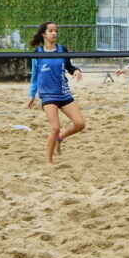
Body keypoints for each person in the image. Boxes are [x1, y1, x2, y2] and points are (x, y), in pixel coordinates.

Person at [27, 22, 85, 164]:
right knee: (55, 128)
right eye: (51, 31)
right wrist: (31, 95)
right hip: (47, 95)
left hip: (63, 93)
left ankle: (61, 138)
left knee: (80, 123)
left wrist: (76, 71)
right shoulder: (38, 53)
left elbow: (70, 67)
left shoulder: (61, 49)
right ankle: (49, 161)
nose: (54, 33)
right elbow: (34, 76)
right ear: (44, 34)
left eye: (56, 31)